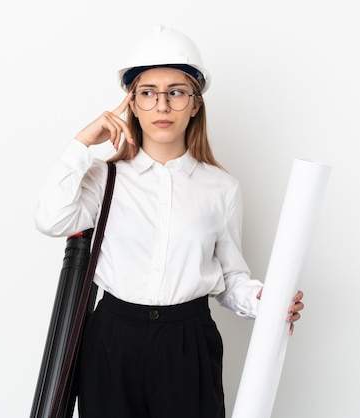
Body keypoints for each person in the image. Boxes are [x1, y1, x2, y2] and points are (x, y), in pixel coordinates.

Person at [34, 25, 304, 418]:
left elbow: (230, 280)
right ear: (132, 103)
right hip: (112, 340)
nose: (162, 106)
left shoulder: (221, 188)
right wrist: (81, 143)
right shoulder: (103, 178)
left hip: (187, 341)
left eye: (176, 92)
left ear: (195, 104)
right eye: (148, 93)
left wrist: (267, 300)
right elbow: (49, 219)